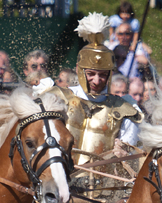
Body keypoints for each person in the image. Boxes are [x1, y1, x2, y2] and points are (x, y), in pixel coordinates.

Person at [42, 13, 142, 165]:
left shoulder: (124, 110)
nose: (96, 80)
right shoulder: (58, 98)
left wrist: (125, 153)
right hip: (59, 180)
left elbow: (134, 159)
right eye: (91, 74)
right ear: (79, 70)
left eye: (102, 75)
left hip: (102, 185)